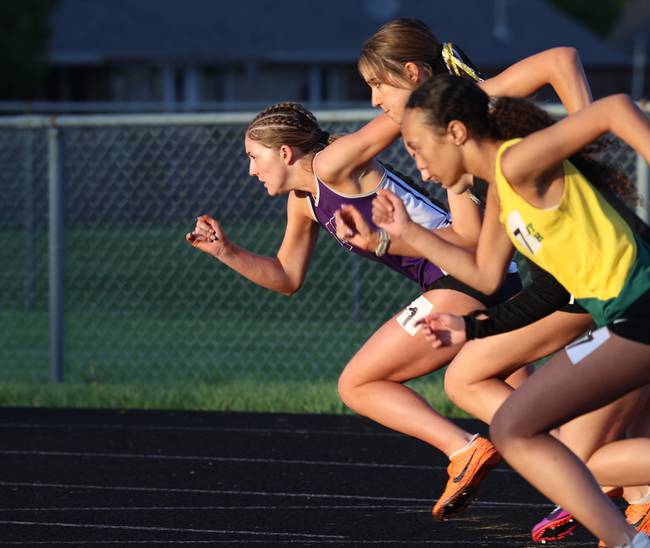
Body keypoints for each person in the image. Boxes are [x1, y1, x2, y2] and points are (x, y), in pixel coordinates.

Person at [363, 73, 650, 547]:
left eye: (416, 147)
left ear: (456, 132)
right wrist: (404, 238)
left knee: (514, 427)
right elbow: (486, 277)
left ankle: (628, 542)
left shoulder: (517, 162)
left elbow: (614, 108)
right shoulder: (501, 195)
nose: (418, 165)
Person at [187, 23, 595, 521]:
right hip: (477, 272)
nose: (250, 171)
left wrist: (433, 88)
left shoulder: (334, 162)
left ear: (285, 152)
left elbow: (397, 119)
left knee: (358, 384)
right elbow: (287, 276)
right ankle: (620, 485)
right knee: (518, 404)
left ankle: (464, 449)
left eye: (253, 157)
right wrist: (226, 251)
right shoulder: (303, 203)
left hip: (462, 274)